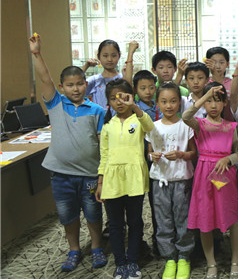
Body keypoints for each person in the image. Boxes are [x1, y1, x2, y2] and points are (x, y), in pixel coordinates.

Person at [29, 33, 107, 272]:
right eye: (70, 85)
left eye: (80, 84)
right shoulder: (56, 104)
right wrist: (36, 53)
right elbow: (45, 78)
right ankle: (74, 249)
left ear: (87, 83)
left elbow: (101, 144)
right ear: (62, 87)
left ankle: (96, 247)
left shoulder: (96, 110)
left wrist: (102, 175)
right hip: (61, 174)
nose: (76, 88)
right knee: (67, 216)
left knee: (93, 213)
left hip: (89, 174)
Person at [96, 79, 155, 279]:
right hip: (112, 179)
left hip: (134, 178)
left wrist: (135, 106)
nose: (119, 102)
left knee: (135, 222)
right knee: (114, 224)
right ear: (108, 102)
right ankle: (120, 262)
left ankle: (132, 260)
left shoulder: (138, 120)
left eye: (123, 97)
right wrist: (100, 181)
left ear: (131, 97)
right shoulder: (107, 126)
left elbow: (150, 128)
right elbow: (103, 155)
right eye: (113, 98)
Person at [182, 82, 238, 279]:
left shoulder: (231, 126)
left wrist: (228, 159)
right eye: (209, 101)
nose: (213, 105)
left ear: (225, 103)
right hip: (204, 176)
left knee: (232, 218)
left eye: (218, 101)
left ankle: (235, 259)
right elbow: (185, 116)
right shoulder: (200, 124)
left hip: (226, 175)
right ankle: (211, 263)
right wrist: (205, 94)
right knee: (205, 218)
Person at [146, 82, 196, 279]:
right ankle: (169, 258)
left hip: (181, 179)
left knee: (182, 219)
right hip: (160, 181)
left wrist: (182, 155)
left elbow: (194, 152)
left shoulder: (185, 125)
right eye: (164, 101)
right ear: (157, 103)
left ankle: (184, 256)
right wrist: (153, 157)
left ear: (179, 103)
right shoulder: (153, 126)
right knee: (163, 219)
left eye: (173, 101)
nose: (169, 106)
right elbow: (149, 153)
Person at [133, 69, 162, 254]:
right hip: (138, 159)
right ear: (135, 90)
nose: (148, 91)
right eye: (143, 88)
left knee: (157, 202)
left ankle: (159, 239)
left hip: (156, 160)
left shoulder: (158, 106)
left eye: (152, 87)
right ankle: (139, 242)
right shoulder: (133, 108)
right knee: (136, 203)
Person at [83, 39, 138, 108]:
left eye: (114, 55)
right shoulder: (95, 80)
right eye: (105, 56)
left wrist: (130, 53)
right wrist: (86, 66)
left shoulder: (123, 78)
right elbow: (76, 86)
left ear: (119, 56)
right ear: (98, 56)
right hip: (99, 118)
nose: (109, 59)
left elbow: (129, 93)